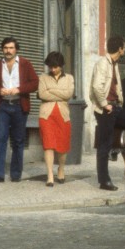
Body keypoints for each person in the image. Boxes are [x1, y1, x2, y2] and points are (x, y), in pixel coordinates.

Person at [89, 35, 125, 192]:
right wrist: (104, 104)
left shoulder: (114, 64)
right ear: (120, 49)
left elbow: (115, 86)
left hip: (115, 107)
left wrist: (119, 102)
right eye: (124, 47)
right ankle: (104, 181)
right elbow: (96, 87)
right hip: (105, 110)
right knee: (105, 145)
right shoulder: (103, 63)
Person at [0, 36, 39, 183]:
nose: (8, 51)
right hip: (3, 106)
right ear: (2, 49)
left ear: (16, 49)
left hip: (19, 106)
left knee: (18, 140)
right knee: (1, 138)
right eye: (5, 48)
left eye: (11, 48)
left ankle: (16, 174)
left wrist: (19, 89)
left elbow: (35, 83)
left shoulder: (25, 64)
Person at [37, 51, 73, 187]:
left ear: (61, 65)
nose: (52, 69)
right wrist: (60, 94)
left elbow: (69, 94)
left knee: (63, 146)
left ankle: (61, 169)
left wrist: (51, 91)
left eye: (55, 67)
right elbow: (42, 94)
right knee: (48, 145)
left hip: (63, 115)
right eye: (50, 67)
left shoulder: (69, 78)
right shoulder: (43, 77)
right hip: (46, 116)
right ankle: (50, 175)